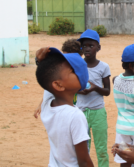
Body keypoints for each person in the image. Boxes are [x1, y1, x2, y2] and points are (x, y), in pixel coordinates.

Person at [36, 47, 93, 167]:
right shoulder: (75, 116)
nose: (78, 71)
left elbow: (47, 78)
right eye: (72, 71)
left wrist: (41, 63)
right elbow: (84, 161)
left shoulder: (47, 105)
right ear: (58, 85)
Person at [77, 29, 111, 167]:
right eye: (84, 46)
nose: (87, 49)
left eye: (91, 46)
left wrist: (95, 88)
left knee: (101, 149)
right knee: (83, 148)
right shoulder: (78, 65)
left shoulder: (103, 67)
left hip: (98, 112)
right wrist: (80, 90)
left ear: (98, 48)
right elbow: (71, 86)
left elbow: (107, 91)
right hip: (80, 112)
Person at [33, 39, 83, 119]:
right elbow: (49, 89)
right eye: (65, 57)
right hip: (60, 110)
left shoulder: (80, 71)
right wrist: (41, 104)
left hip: (73, 109)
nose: (67, 61)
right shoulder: (60, 69)